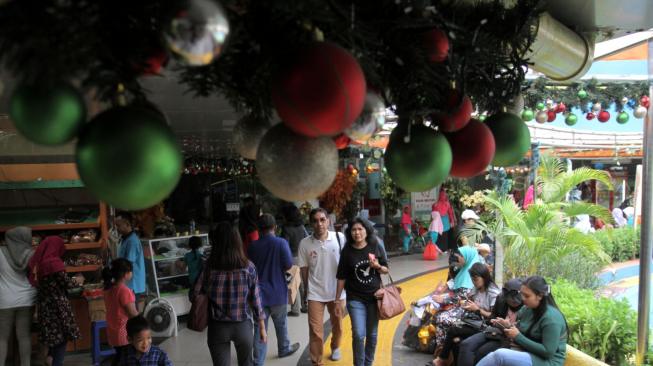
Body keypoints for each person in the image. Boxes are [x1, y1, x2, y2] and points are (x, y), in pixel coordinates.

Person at [204, 222, 266, 366]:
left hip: (217, 327)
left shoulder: (208, 267)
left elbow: (194, 293)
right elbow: (256, 300)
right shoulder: (249, 267)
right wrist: (262, 327)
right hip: (242, 326)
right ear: (238, 241)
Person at [477, 276, 568, 366]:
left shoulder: (552, 318)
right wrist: (507, 326)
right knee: (493, 354)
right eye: (521, 294)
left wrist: (518, 337)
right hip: (528, 352)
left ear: (540, 296)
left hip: (547, 361)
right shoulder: (527, 309)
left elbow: (548, 352)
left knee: (499, 356)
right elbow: (521, 330)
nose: (523, 298)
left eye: (527, 296)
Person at [248, 214, 301, 365]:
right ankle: (284, 348)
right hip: (278, 292)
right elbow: (288, 265)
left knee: (259, 327)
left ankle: (258, 360)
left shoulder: (252, 246)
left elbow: (249, 268)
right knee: (281, 323)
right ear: (275, 227)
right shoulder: (281, 243)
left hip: (259, 295)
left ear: (258, 229)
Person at [335, 218, 389, 366]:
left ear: (366, 230)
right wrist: (337, 299)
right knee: (359, 334)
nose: (357, 232)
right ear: (349, 232)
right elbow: (341, 276)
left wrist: (377, 266)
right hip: (355, 298)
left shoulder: (375, 244)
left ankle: (368, 363)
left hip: (374, 298)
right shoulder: (347, 250)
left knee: (372, 335)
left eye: (360, 229)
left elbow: (386, 269)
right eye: (353, 230)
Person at [298, 208, 346, 365]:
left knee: (338, 326)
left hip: (337, 292)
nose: (319, 224)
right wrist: (306, 291)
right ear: (311, 223)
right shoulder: (304, 243)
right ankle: (317, 361)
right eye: (315, 221)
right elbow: (304, 269)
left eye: (322, 219)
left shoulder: (339, 238)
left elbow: (347, 264)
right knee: (315, 331)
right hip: (315, 293)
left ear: (328, 221)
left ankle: (335, 347)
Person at [432, 263, 500, 366]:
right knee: (455, 339)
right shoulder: (476, 289)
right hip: (475, 322)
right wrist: (466, 303)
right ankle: (446, 359)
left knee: (453, 330)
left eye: (476, 279)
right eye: (472, 280)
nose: (474, 282)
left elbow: (493, 316)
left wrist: (478, 309)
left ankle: (442, 359)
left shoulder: (493, 292)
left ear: (484, 277)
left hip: (485, 326)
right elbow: (468, 299)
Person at [28, 236, 82, 366]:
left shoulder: (42, 263)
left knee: (54, 338)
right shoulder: (54, 263)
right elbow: (67, 283)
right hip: (57, 307)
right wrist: (78, 280)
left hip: (46, 306)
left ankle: (50, 359)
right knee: (61, 339)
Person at [457, 278, 524, 366]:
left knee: (481, 352)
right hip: (494, 331)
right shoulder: (501, 299)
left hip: (507, 338)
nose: (513, 303)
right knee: (466, 344)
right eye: (510, 301)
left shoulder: (527, 307)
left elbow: (525, 331)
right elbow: (492, 317)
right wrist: (495, 321)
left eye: (515, 301)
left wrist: (509, 326)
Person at [0, 227, 36, 366]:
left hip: (4, 300)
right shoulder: (32, 254)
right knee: (24, 336)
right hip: (27, 299)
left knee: (2, 338)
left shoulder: (0, 252)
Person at [102, 258, 139, 365]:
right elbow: (132, 313)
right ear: (126, 274)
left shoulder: (108, 289)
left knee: (120, 356)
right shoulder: (124, 291)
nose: (132, 273)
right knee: (126, 359)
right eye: (131, 271)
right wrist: (142, 321)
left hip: (113, 330)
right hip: (124, 332)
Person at [280, 204, 309, 316]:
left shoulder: (286, 228)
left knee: (293, 283)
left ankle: (295, 309)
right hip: (302, 257)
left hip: (291, 258)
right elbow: (307, 238)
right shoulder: (301, 226)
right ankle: (305, 305)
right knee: (302, 283)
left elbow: (284, 245)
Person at [116, 212, 146, 307]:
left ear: (127, 224)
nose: (117, 228)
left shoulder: (132, 241)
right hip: (129, 282)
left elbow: (127, 263)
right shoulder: (126, 239)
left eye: (118, 225)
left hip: (133, 283)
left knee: (132, 311)